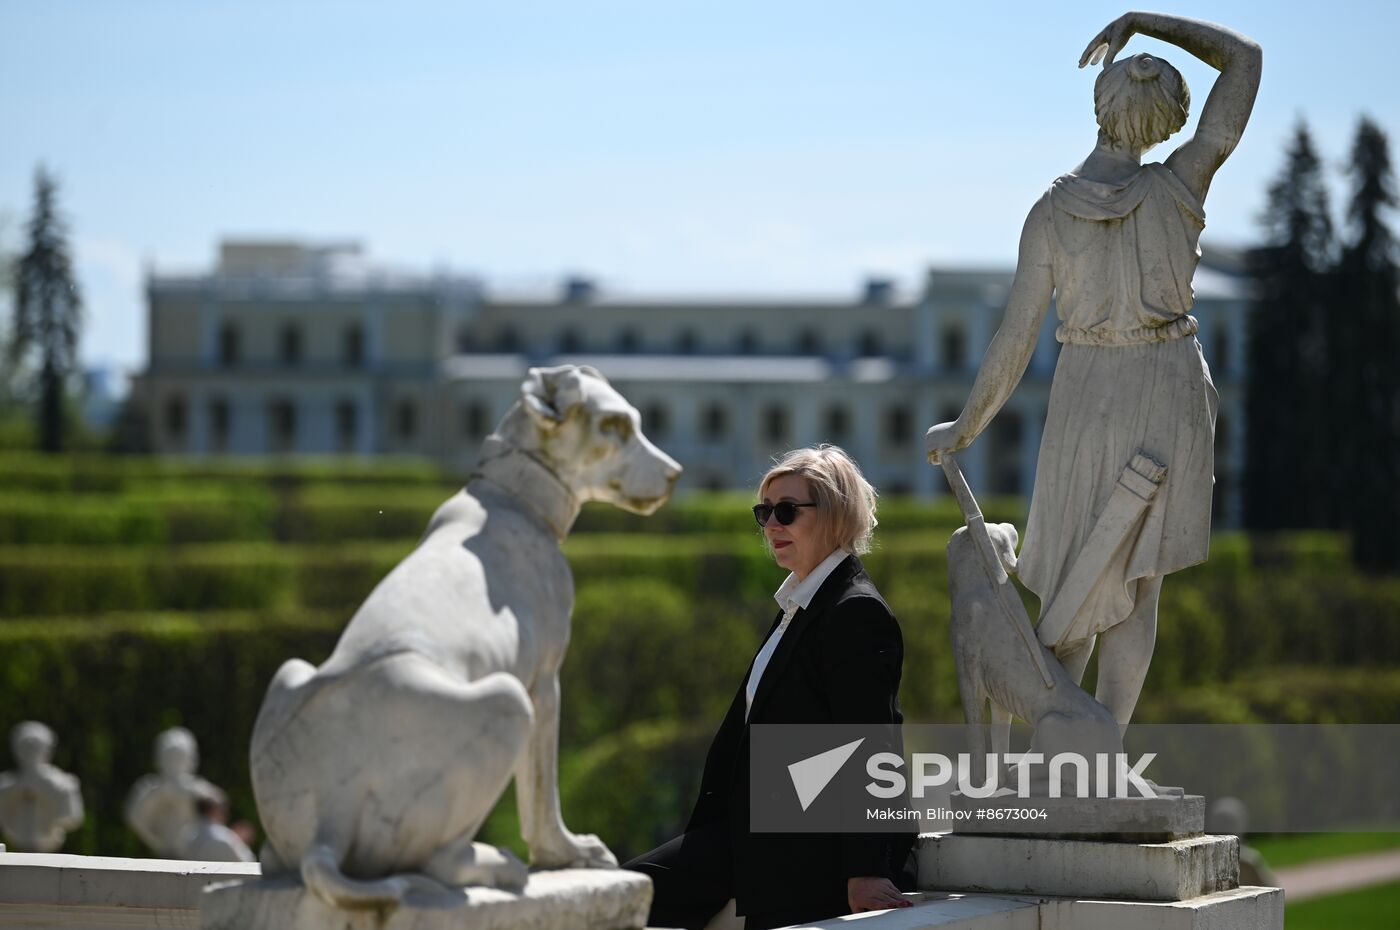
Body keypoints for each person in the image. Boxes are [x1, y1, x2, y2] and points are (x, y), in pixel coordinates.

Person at [926, 13, 1261, 727]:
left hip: (1086, 388)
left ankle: (1058, 742)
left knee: (1072, 574)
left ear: (1102, 105)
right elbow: (1244, 59)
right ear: (1169, 122)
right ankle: (1099, 746)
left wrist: (967, 423)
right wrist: (1147, 24)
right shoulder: (1182, 185)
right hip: (1169, 383)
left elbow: (1016, 338)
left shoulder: (1050, 213)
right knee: (1139, 584)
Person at [626, 445, 914, 930]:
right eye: (765, 512)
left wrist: (865, 870)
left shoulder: (852, 611)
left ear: (836, 513)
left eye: (786, 511)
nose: (771, 526)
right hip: (757, 835)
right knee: (614, 895)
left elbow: (871, 742)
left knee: (617, 898)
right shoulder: (804, 603)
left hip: (805, 850)